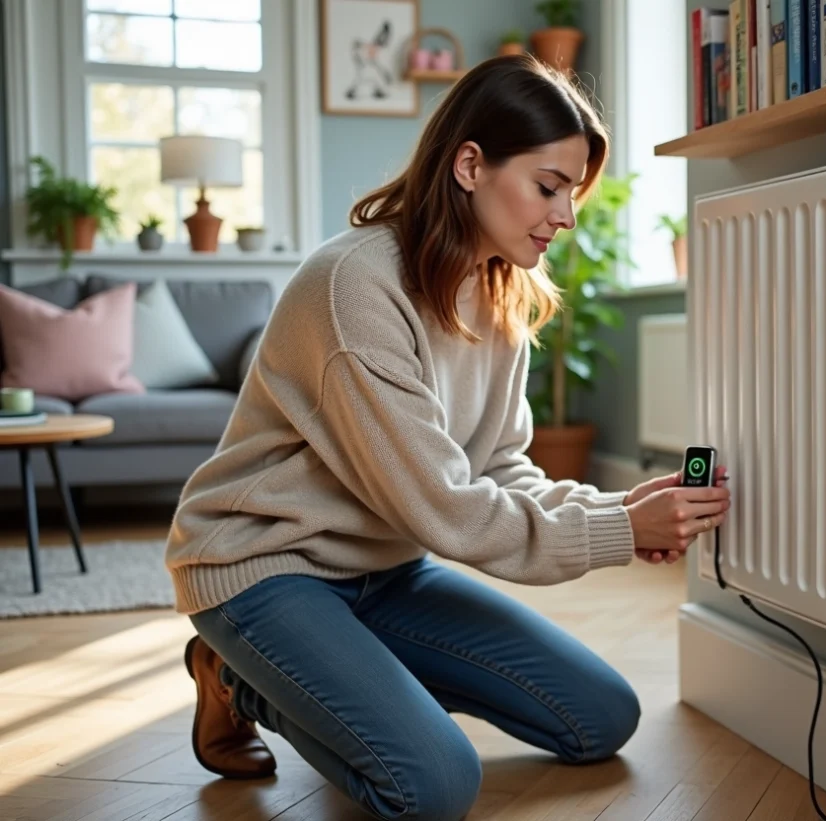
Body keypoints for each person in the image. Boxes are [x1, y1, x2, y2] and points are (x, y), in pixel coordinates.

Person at [164, 54, 731, 821]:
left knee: (601, 716)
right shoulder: (355, 287)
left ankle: (337, 667)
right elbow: (450, 508)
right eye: (549, 186)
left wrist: (616, 507)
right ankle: (235, 671)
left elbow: (498, 466)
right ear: (470, 164)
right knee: (431, 786)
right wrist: (618, 532)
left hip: (387, 569)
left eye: (573, 192)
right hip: (265, 566)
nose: (566, 216)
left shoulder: (501, 295)